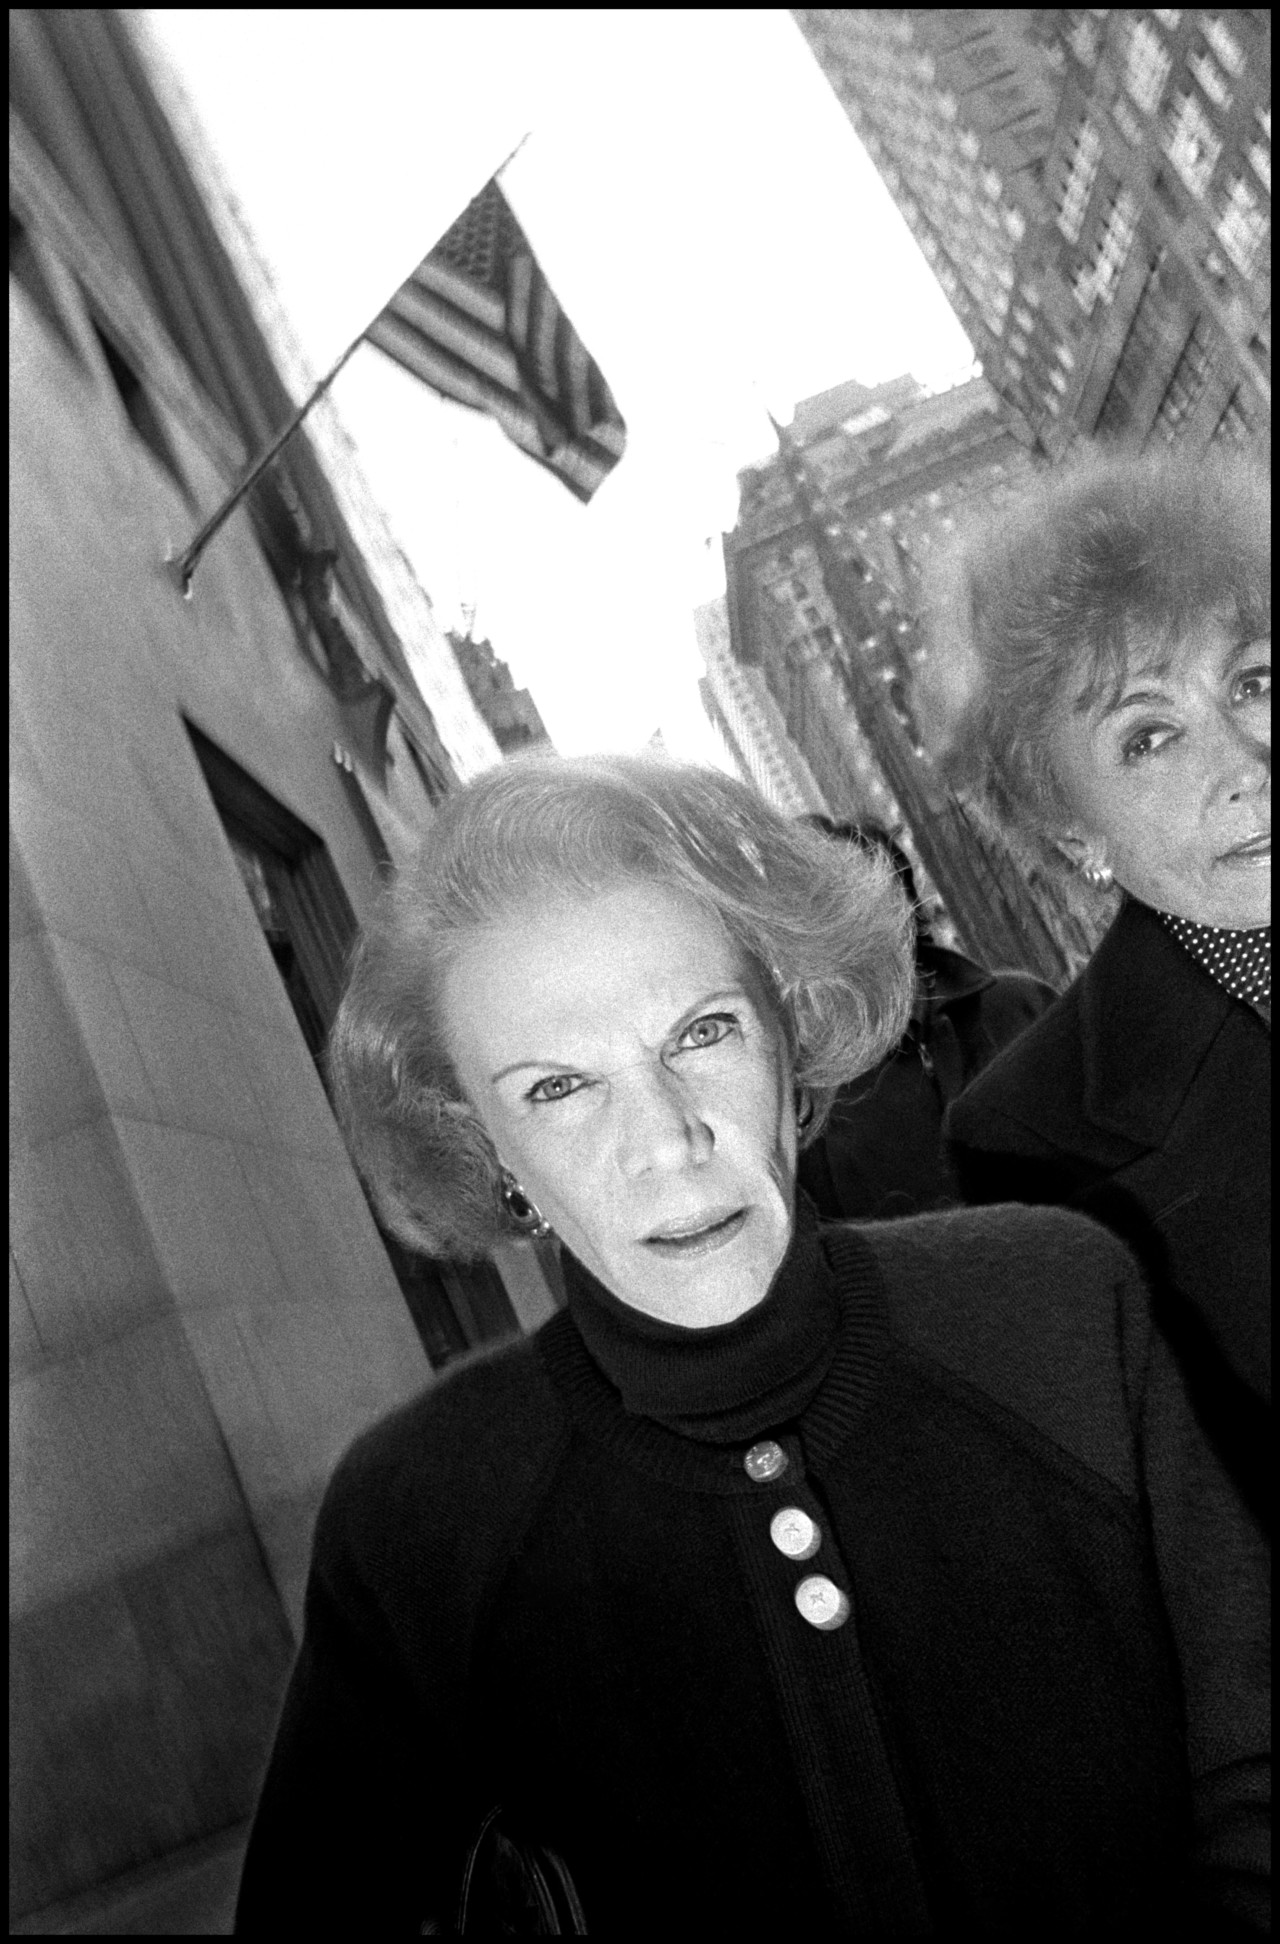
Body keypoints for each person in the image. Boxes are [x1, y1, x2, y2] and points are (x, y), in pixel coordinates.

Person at [234, 754, 1267, 1937]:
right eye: (558, 1088)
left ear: (790, 1032)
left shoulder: (1058, 1306)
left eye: (702, 1033)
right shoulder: (419, 1518)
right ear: (484, 1148)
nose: (664, 1140)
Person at [924, 450, 1270, 1520]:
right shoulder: (1034, 1136)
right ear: (1067, 825)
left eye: (1251, 684)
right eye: (1149, 736)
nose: (1242, 766)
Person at [796, 817, 1055, 1219]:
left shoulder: (1018, 1006)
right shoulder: (805, 1114)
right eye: (817, 907)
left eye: (857, 897)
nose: (845, 927)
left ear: (904, 905)